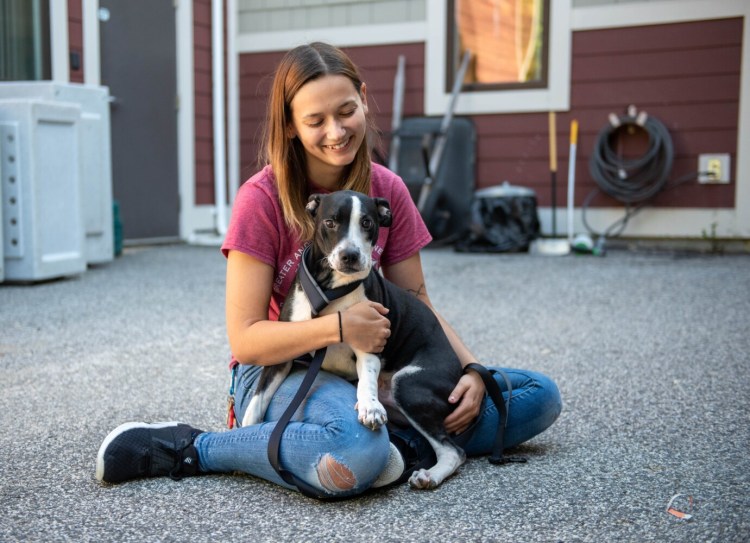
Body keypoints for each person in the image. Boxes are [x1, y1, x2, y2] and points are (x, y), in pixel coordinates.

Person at [96, 42, 562, 497]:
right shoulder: (261, 199)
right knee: (355, 446)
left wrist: (473, 371)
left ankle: (394, 447)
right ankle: (194, 448)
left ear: (362, 97)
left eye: (345, 111)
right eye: (315, 120)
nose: (336, 131)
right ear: (292, 126)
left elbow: (417, 300)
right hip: (285, 367)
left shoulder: (387, 190)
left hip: (374, 371)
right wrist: (340, 326)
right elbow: (246, 339)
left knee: (537, 396)